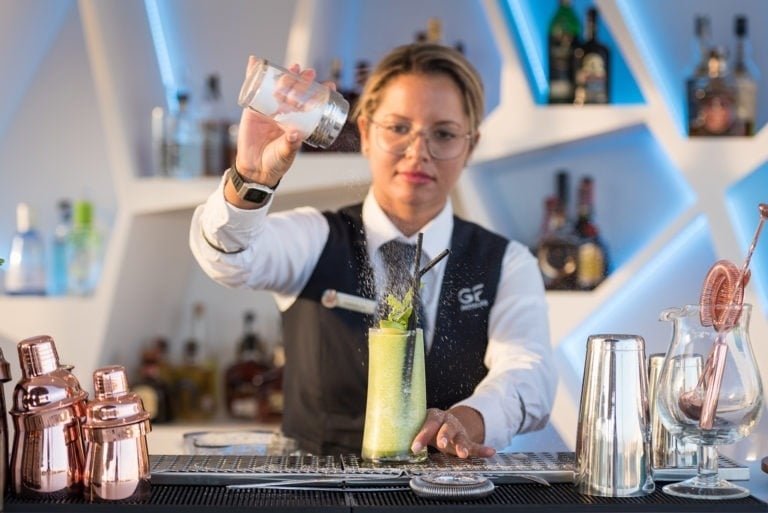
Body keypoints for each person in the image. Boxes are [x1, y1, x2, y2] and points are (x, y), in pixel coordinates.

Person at [190, 43, 556, 458]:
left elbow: (531, 375)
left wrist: (469, 420)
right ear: (365, 133)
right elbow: (227, 258)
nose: (418, 152)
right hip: (314, 500)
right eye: (398, 128)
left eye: (444, 134)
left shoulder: (507, 263)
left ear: (470, 147)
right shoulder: (315, 238)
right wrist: (250, 179)